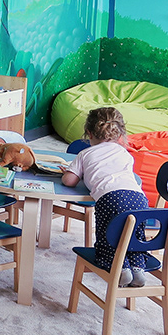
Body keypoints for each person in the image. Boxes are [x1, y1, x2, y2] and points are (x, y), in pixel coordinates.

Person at [59, 107, 150, 287]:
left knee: (108, 238)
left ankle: (121, 270)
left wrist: (69, 172)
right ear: (119, 134)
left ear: (89, 133)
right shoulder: (125, 154)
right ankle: (138, 268)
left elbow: (69, 181)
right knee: (135, 236)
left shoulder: (85, 154)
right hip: (139, 198)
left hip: (110, 199)